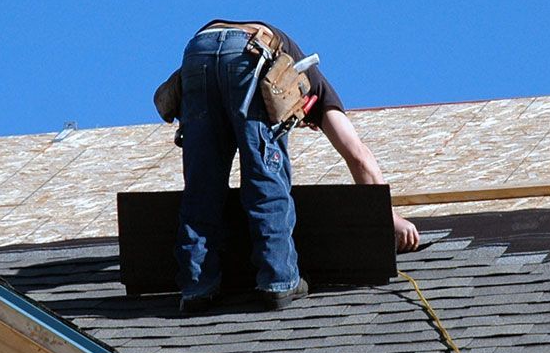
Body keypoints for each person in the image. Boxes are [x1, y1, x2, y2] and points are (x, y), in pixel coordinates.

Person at [169, 20, 420, 313]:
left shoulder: (298, 74)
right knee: (265, 173)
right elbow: (358, 155)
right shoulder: (315, 85)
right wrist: (389, 217)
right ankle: (279, 279)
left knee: (201, 183)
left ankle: (197, 286)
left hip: (198, 50)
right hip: (251, 53)